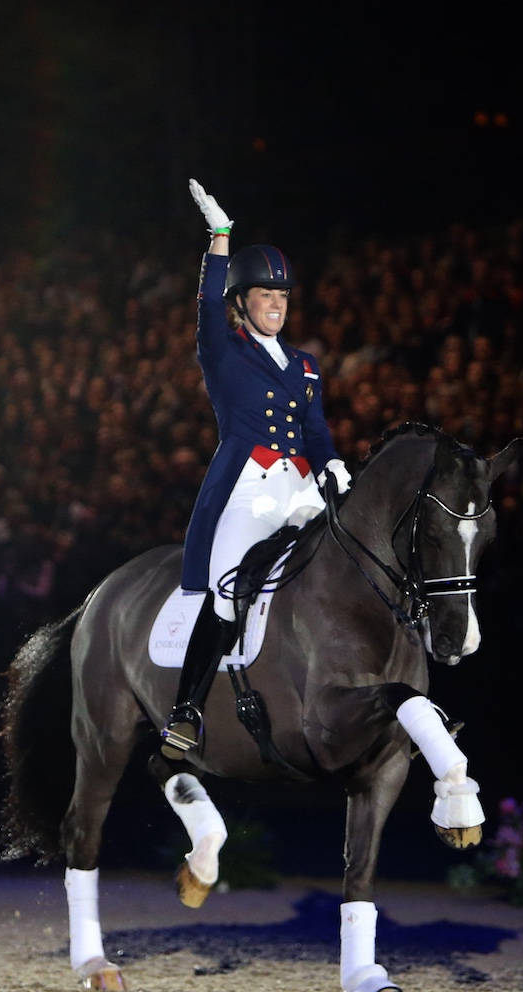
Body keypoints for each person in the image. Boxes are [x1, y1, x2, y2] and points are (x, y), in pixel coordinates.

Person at [160, 179, 351, 758]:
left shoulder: (305, 364)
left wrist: (334, 466)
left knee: (362, 550)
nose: (276, 305)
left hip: (301, 488)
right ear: (241, 302)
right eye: (265, 296)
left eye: (283, 298)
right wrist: (220, 236)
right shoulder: (223, 350)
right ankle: (187, 708)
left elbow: (316, 431)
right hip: (250, 486)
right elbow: (205, 299)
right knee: (226, 592)